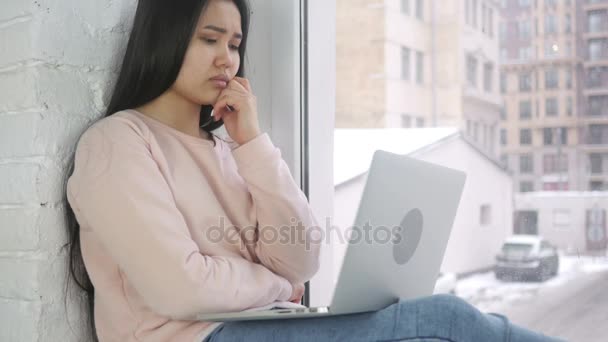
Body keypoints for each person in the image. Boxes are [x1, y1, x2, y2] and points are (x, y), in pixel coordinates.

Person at [62, 0, 565, 341]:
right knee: (443, 320)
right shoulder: (117, 143)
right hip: (194, 338)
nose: (227, 60)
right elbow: (182, 288)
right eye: (209, 40)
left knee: (444, 316)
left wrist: (253, 144)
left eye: (235, 44)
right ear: (166, 41)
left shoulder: (226, 149)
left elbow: (300, 261)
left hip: (254, 325)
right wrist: (274, 286)